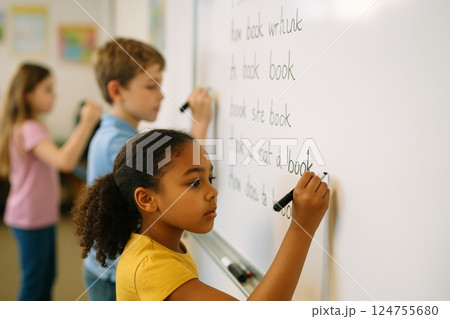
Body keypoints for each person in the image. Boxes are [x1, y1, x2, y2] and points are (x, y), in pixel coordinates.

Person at [72, 129, 330, 301]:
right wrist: (301, 227)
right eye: (195, 183)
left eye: (211, 178)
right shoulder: (152, 266)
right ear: (147, 199)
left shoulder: (164, 247)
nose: (212, 191)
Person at [82, 38, 212, 301]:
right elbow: (185, 171)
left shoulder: (118, 135)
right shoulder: (119, 144)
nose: (161, 94)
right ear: (117, 91)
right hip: (113, 275)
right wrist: (200, 124)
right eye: (151, 85)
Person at [0, 63, 101, 300]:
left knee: (45, 278)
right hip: (30, 218)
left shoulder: (32, 126)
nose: (54, 95)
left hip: (38, 216)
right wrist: (86, 122)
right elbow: (64, 162)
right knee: (36, 283)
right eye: (47, 89)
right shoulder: (31, 128)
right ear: (27, 94)